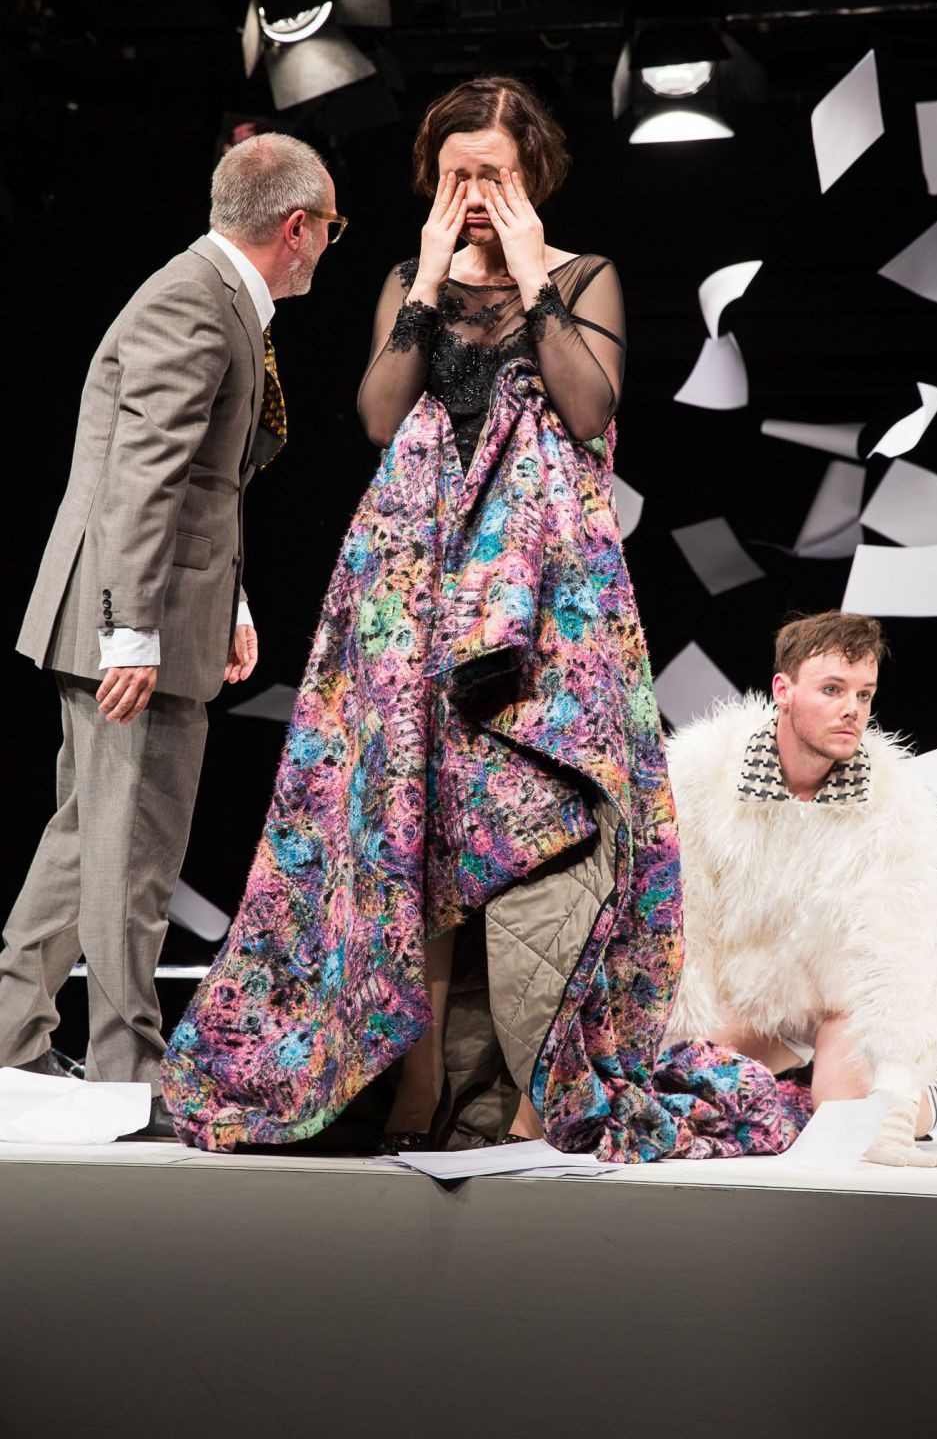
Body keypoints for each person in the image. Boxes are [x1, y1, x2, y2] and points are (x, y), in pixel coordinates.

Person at [161, 78, 809, 1163]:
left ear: (531, 179)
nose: (473, 193)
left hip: (544, 610)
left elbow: (589, 406)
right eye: (457, 174)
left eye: (494, 175)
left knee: (536, 830)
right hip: (411, 592)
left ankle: (533, 1089)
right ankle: (414, 1082)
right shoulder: (405, 280)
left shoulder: (582, 277)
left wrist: (532, 274)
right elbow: (380, 416)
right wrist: (426, 278)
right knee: (408, 831)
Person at [2, 132, 342, 1136]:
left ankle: (11, 1042)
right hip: (125, 622)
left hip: (151, 611)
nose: (330, 245)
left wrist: (228, 604)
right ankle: (127, 1075)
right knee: (133, 851)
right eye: (331, 228)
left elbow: (203, 484)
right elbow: (139, 481)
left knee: (86, 840)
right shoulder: (193, 301)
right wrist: (131, 635)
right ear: (297, 228)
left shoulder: (221, 299)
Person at [664, 610, 937, 1167]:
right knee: (688, 1085)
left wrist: (896, 1090)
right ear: (783, 690)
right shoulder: (702, 774)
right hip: (756, 990)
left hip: (842, 998)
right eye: (832, 689)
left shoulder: (895, 802)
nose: (851, 709)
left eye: (864, 694)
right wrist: (678, 1034)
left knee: (849, 1122)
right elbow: (682, 911)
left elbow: (906, 948)